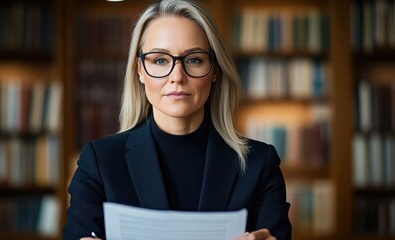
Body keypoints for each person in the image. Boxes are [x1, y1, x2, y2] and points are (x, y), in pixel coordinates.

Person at [62, 0, 292, 239]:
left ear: (214, 70)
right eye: (160, 60)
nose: (177, 76)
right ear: (140, 70)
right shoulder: (100, 162)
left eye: (194, 59)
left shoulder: (260, 164)